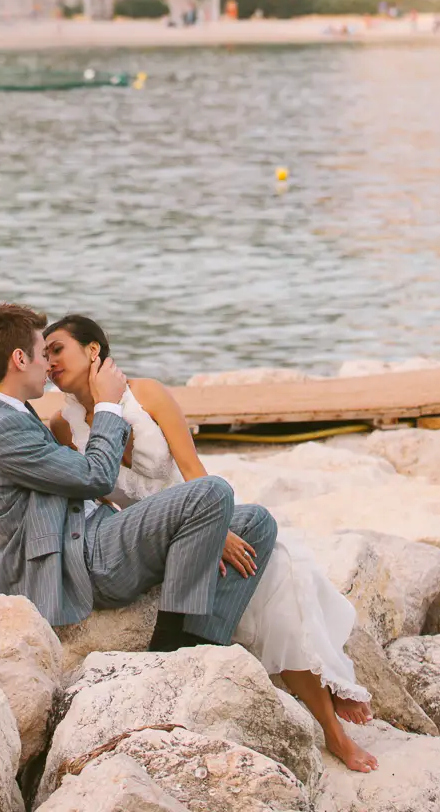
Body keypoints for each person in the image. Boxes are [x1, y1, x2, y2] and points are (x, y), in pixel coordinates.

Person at [44, 314, 378, 775]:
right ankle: (322, 710)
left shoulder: (149, 394)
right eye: (43, 354)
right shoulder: (63, 426)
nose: (48, 361)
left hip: (203, 509)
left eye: (57, 349)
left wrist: (216, 533)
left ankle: (325, 722)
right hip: (153, 538)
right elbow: (106, 506)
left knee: (267, 551)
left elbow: (191, 466)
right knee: (271, 564)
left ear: (94, 351)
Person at [0, 302, 278, 659]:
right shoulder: (2, 426)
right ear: (20, 360)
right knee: (212, 492)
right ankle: (169, 647)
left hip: (93, 533)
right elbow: (96, 476)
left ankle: (200, 642)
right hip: (81, 560)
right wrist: (107, 404)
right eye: (42, 354)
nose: (48, 365)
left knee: (256, 522)